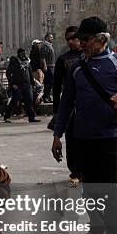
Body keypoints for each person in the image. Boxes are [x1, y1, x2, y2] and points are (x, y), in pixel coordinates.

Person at [52, 16, 117, 234]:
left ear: (101, 39)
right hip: (81, 137)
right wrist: (57, 135)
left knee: (109, 190)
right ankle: (96, 228)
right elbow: (67, 102)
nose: (80, 44)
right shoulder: (77, 68)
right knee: (89, 189)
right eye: (79, 39)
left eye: (85, 39)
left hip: (109, 136)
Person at [48, 26, 83, 184]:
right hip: (70, 105)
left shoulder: (88, 56)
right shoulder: (63, 59)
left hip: (88, 105)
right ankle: (75, 170)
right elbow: (56, 88)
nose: (71, 41)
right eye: (68, 39)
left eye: (74, 37)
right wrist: (57, 112)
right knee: (71, 138)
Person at [4, 49, 39, 123]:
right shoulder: (14, 61)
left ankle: (31, 117)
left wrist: (33, 84)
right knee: (15, 100)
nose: (23, 55)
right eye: (22, 53)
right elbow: (8, 73)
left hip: (27, 84)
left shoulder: (27, 61)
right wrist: (12, 84)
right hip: (17, 85)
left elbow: (30, 73)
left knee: (29, 100)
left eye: (24, 53)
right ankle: (7, 116)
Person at [41, 33, 56, 103]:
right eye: (51, 37)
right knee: (49, 82)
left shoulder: (49, 45)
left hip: (51, 66)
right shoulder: (45, 46)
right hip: (49, 67)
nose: (52, 38)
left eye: (52, 37)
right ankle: (46, 97)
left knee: (50, 82)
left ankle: (47, 96)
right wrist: (45, 66)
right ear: (47, 38)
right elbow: (43, 57)